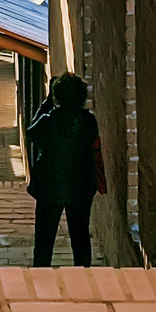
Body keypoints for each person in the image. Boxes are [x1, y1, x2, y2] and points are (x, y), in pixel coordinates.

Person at [24, 72, 106, 267]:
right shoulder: (88, 121)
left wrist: (47, 104)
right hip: (80, 186)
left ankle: (41, 273)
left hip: (50, 188)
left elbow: (31, 132)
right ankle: (83, 273)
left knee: (45, 237)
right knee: (80, 236)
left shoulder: (48, 120)